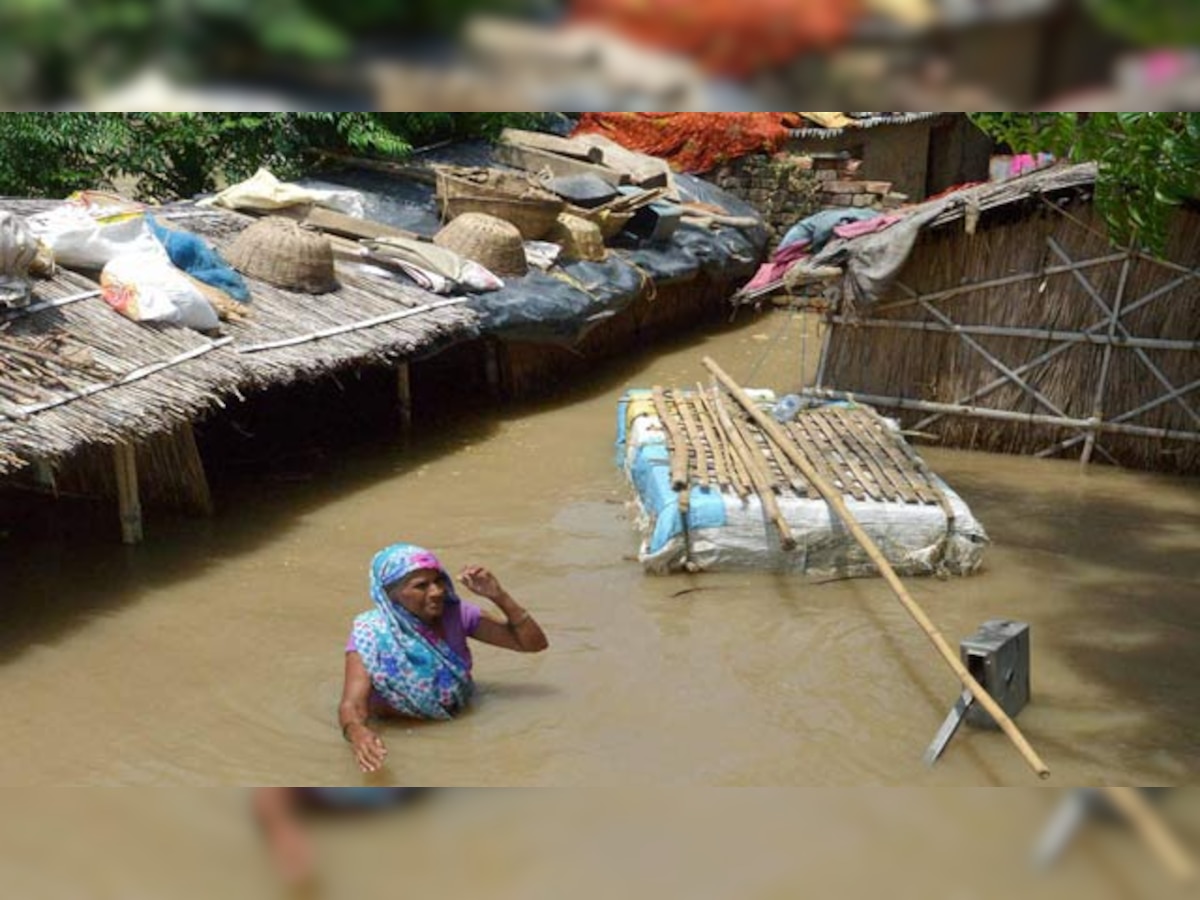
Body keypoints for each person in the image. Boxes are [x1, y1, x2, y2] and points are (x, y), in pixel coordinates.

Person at [338, 543, 549, 773]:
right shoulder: (369, 635)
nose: (437, 591)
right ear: (391, 594)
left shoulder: (457, 615)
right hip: (402, 736)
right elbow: (352, 704)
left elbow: (533, 644)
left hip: (460, 724)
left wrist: (499, 596)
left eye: (438, 580)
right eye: (421, 586)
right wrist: (358, 733)